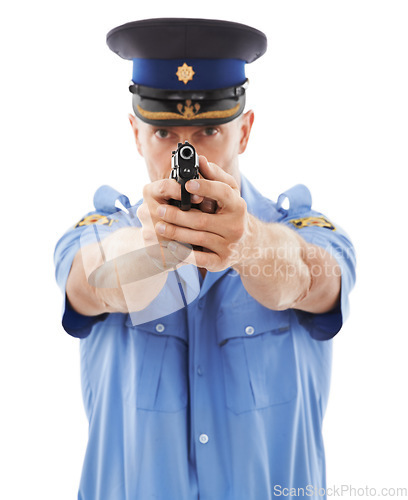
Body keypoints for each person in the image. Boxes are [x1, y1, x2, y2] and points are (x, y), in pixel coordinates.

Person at [54, 18, 356, 500]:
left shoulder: (301, 228)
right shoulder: (102, 231)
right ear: (136, 133)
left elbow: (312, 280)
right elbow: (91, 285)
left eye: (211, 129)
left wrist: (249, 245)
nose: (186, 151)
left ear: (246, 130)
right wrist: (150, 249)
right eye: (163, 134)